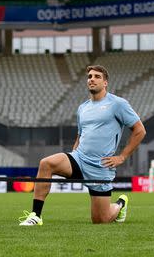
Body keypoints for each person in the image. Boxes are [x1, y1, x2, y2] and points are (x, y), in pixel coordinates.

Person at [18, 65, 146, 226]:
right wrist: (73, 154)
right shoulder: (83, 107)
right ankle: (36, 216)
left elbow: (140, 130)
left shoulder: (118, 104)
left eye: (97, 76)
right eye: (90, 76)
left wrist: (122, 157)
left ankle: (120, 204)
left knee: (101, 220)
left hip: (101, 166)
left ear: (105, 82)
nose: (92, 79)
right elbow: (80, 134)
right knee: (46, 163)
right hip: (79, 159)